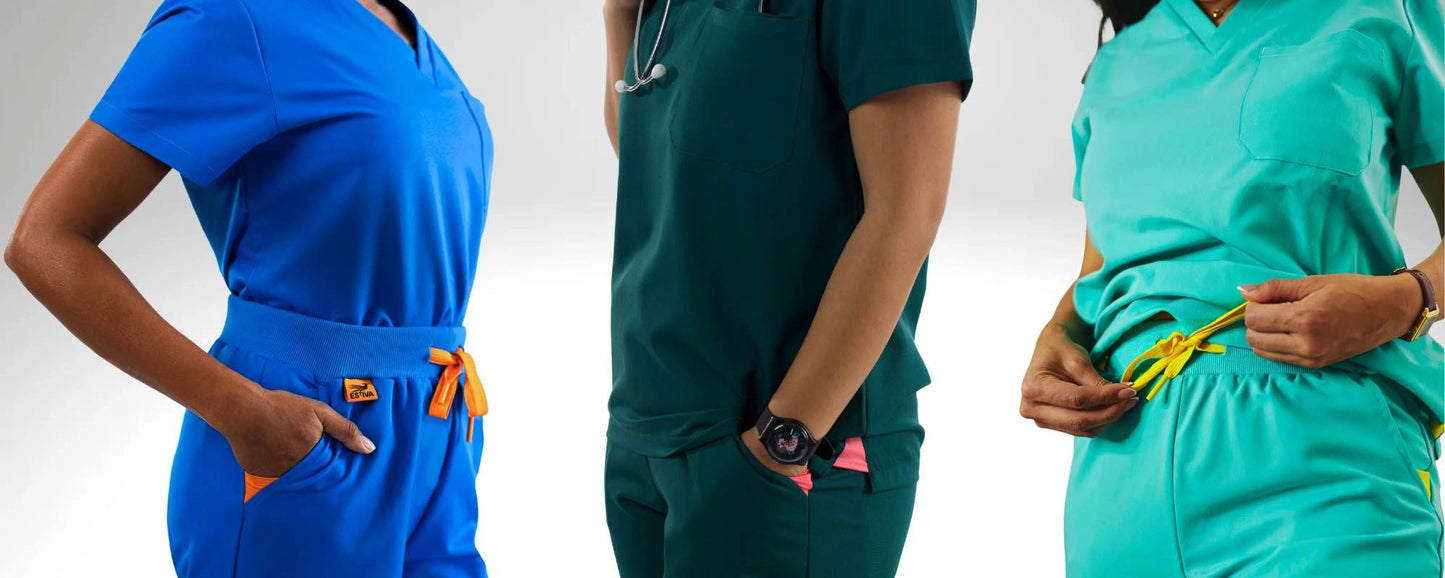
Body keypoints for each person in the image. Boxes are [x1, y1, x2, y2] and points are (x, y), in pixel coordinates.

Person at [4, 0, 494, 575]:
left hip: (438, 427)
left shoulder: (409, 35)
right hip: (307, 428)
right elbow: (44, 240)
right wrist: (245, 412)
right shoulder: (233, 17)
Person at [1019, 0, 1445, 575]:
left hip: (1323, 464)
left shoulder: (1385, 12)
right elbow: (1102, 270)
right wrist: (1058, 332)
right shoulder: (1117, 62)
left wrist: (1405, 300)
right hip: (1120, 484)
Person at [601, 0, 975, 575]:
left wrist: (784, 439)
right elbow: (659, 161)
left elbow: (908, 209)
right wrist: (621, 18)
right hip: (647, 431)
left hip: (788, 453)